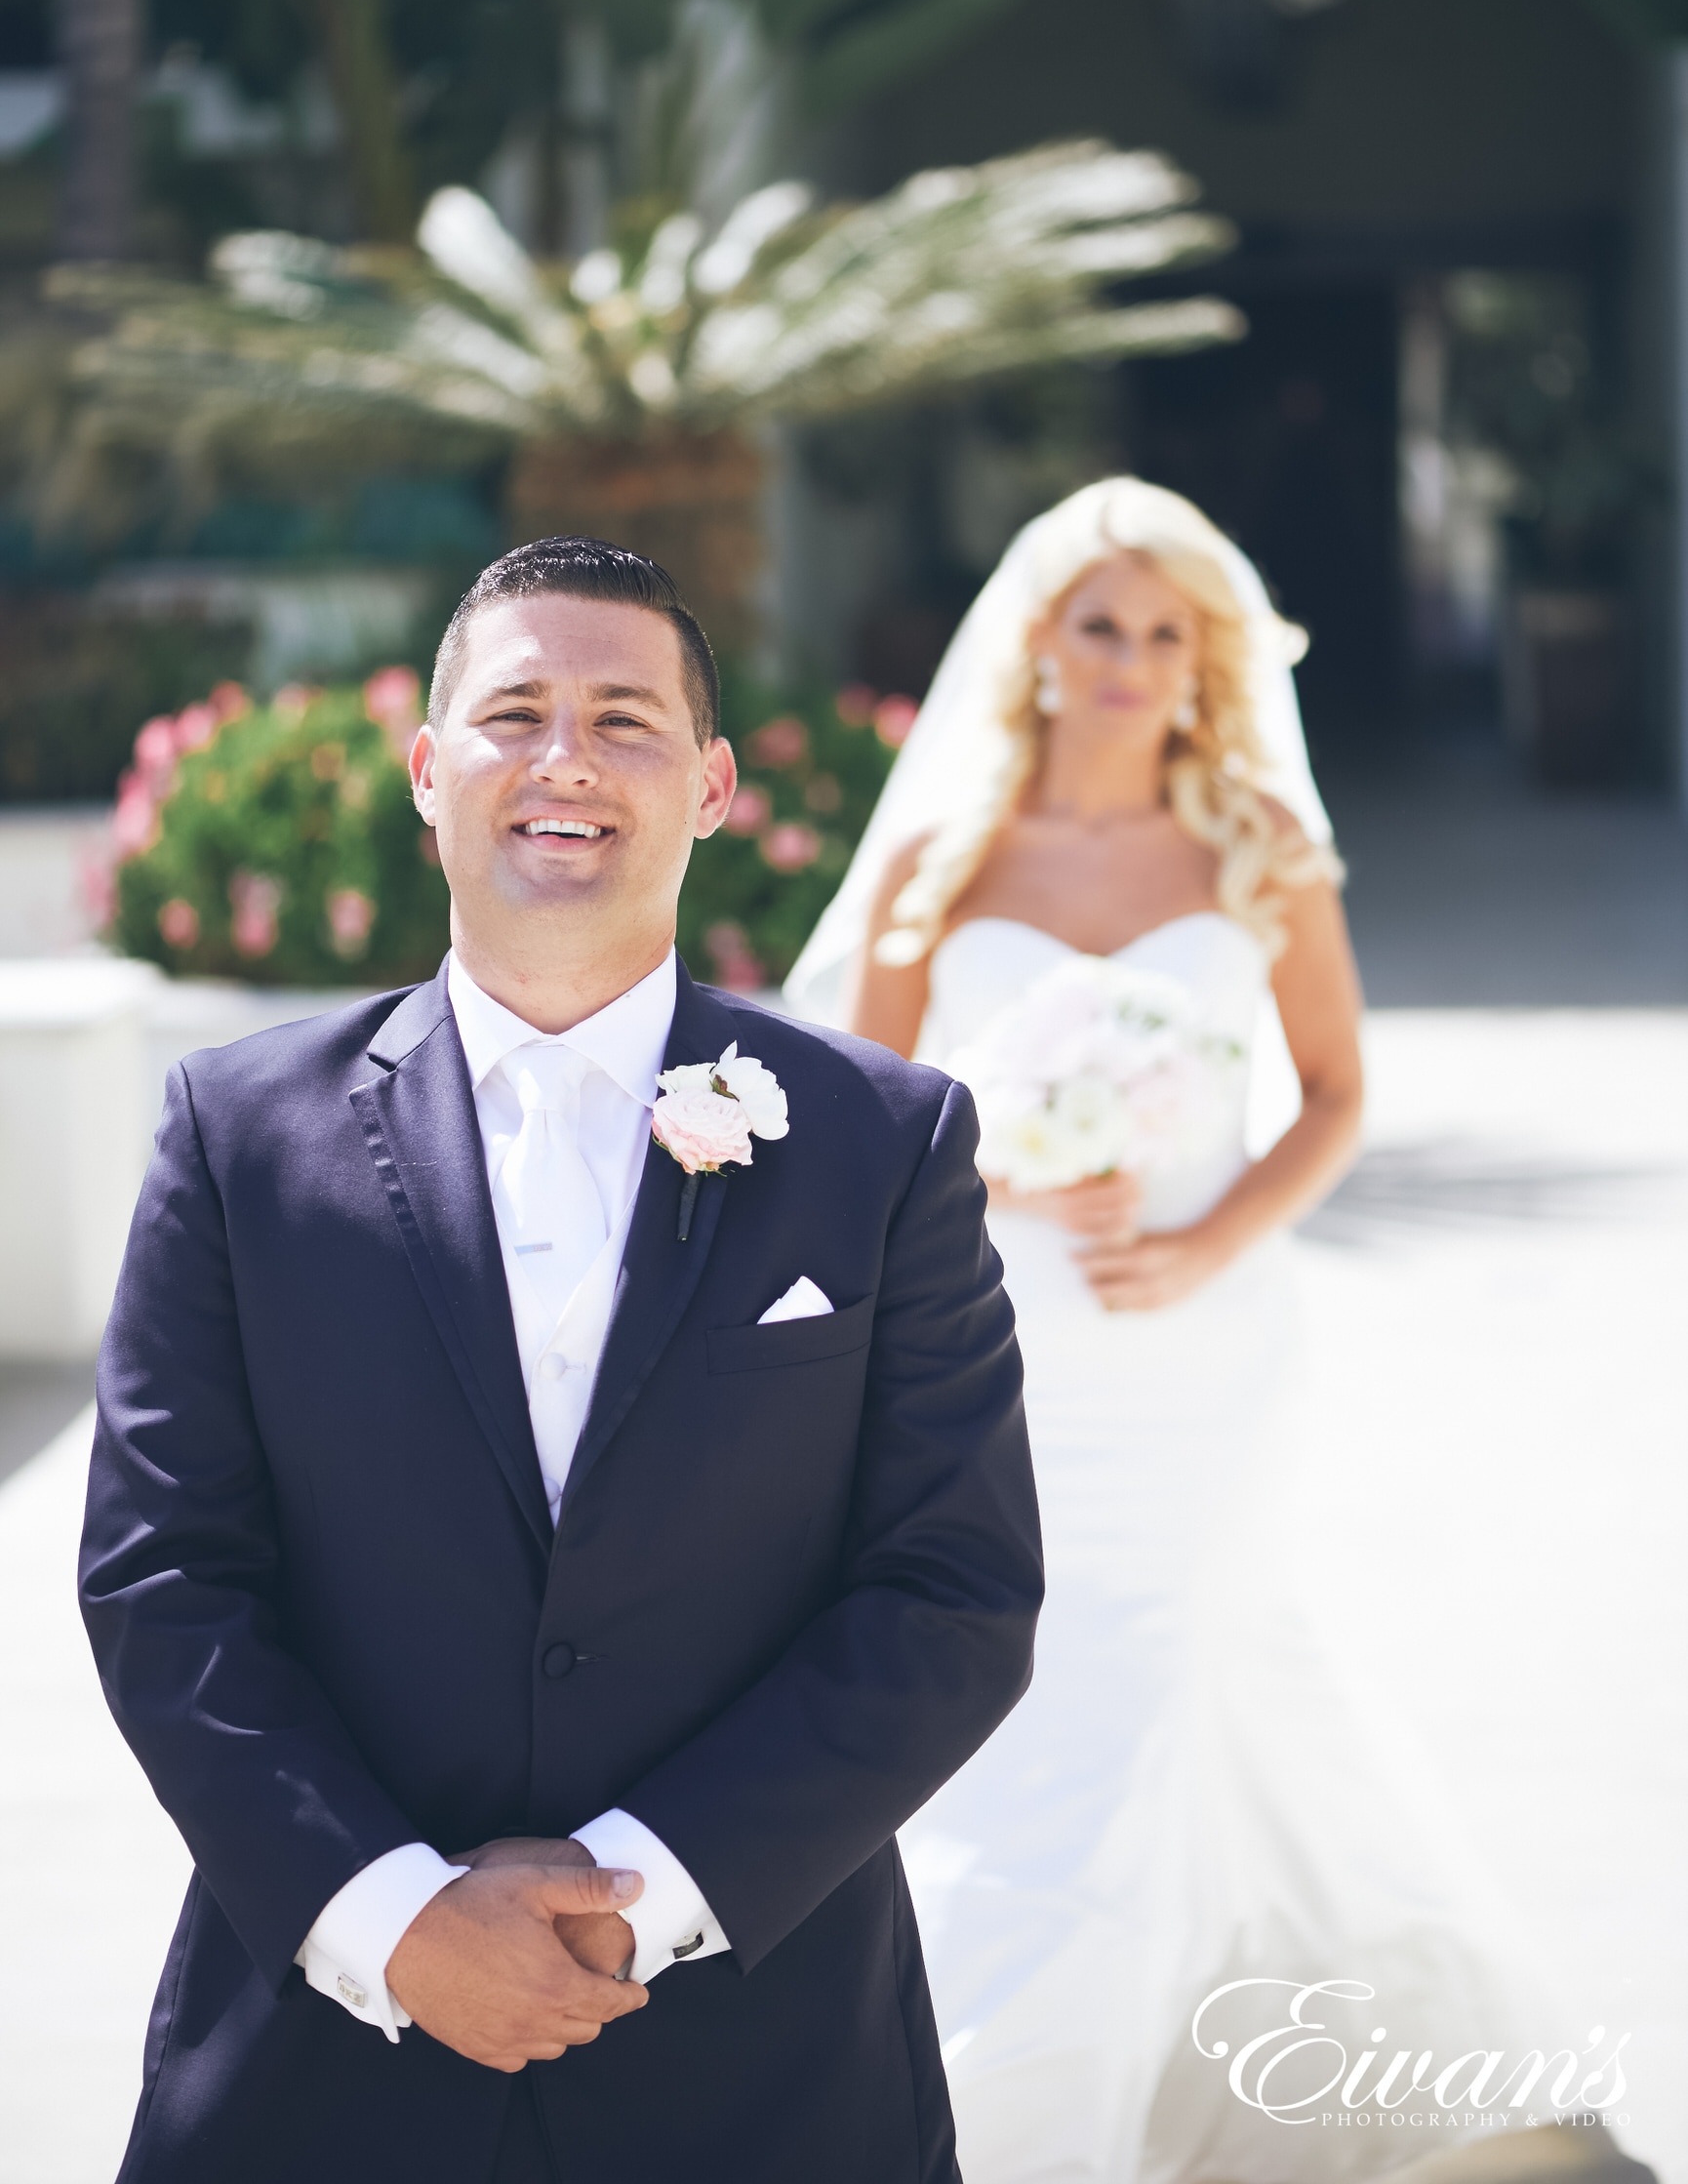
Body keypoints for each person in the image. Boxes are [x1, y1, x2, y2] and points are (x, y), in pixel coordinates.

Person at [80, 537, 1043, 2184]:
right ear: (427, 770)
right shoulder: (237, 1137)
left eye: (625, 719)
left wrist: (636, 1895)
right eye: (513, 712)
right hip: (321, 2061)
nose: (564, 761)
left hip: (764, 2066)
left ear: (715, 784)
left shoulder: (885, 1143)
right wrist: (397, 1922)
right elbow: (167, 1582)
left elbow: (951, 1592)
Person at [786, 478, 1548, 2184]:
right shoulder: (941, 856)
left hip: (1205, 1346)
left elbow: (1337, 1094)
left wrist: (1208, 1235)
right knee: (1046, 1703)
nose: (1127, 660)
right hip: (997, 1350)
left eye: (1161, 632)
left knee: (1161, 1673)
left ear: (1203, 663)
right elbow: (871, 1129)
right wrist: (997, 1184)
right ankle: (1046, 2077)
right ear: (1036, 643)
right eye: (1097, 624)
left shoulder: (1254, 849)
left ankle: (1063, 2106)